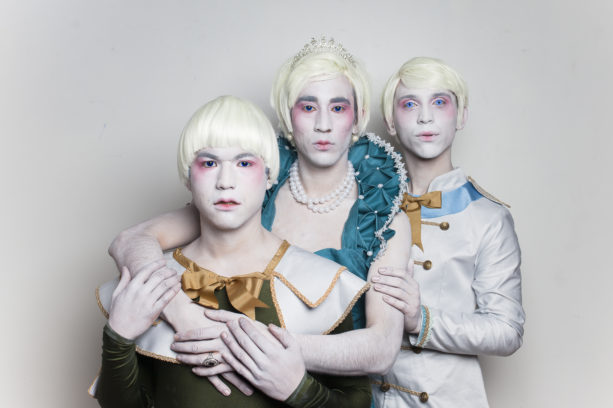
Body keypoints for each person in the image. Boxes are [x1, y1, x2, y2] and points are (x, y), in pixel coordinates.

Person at [107, 37, 418, 393]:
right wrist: (184, 315)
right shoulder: (247, 193)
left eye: (338, 107)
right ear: (287, 115)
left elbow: (381, 349)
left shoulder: (383, 220)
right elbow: (131, 240)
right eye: (308, 107)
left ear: (359, 116)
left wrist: (246, 347)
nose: (323, 124)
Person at [92, 95, 373, 407]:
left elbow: (358, 402)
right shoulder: (152, 280)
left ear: (269, 175)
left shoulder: (319, 282)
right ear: (188, 177)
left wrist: (299, 389)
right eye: (209, 163)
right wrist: (117, 338)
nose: (225, 182)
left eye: (244, 163)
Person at [370, 57, 525, 407]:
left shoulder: (488, 217)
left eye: (439, 102)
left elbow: (507, 331)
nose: (426, 117)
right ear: (390, 122)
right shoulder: (368, 208)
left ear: (461, 116)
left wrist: (420, 320)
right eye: (410, 104)